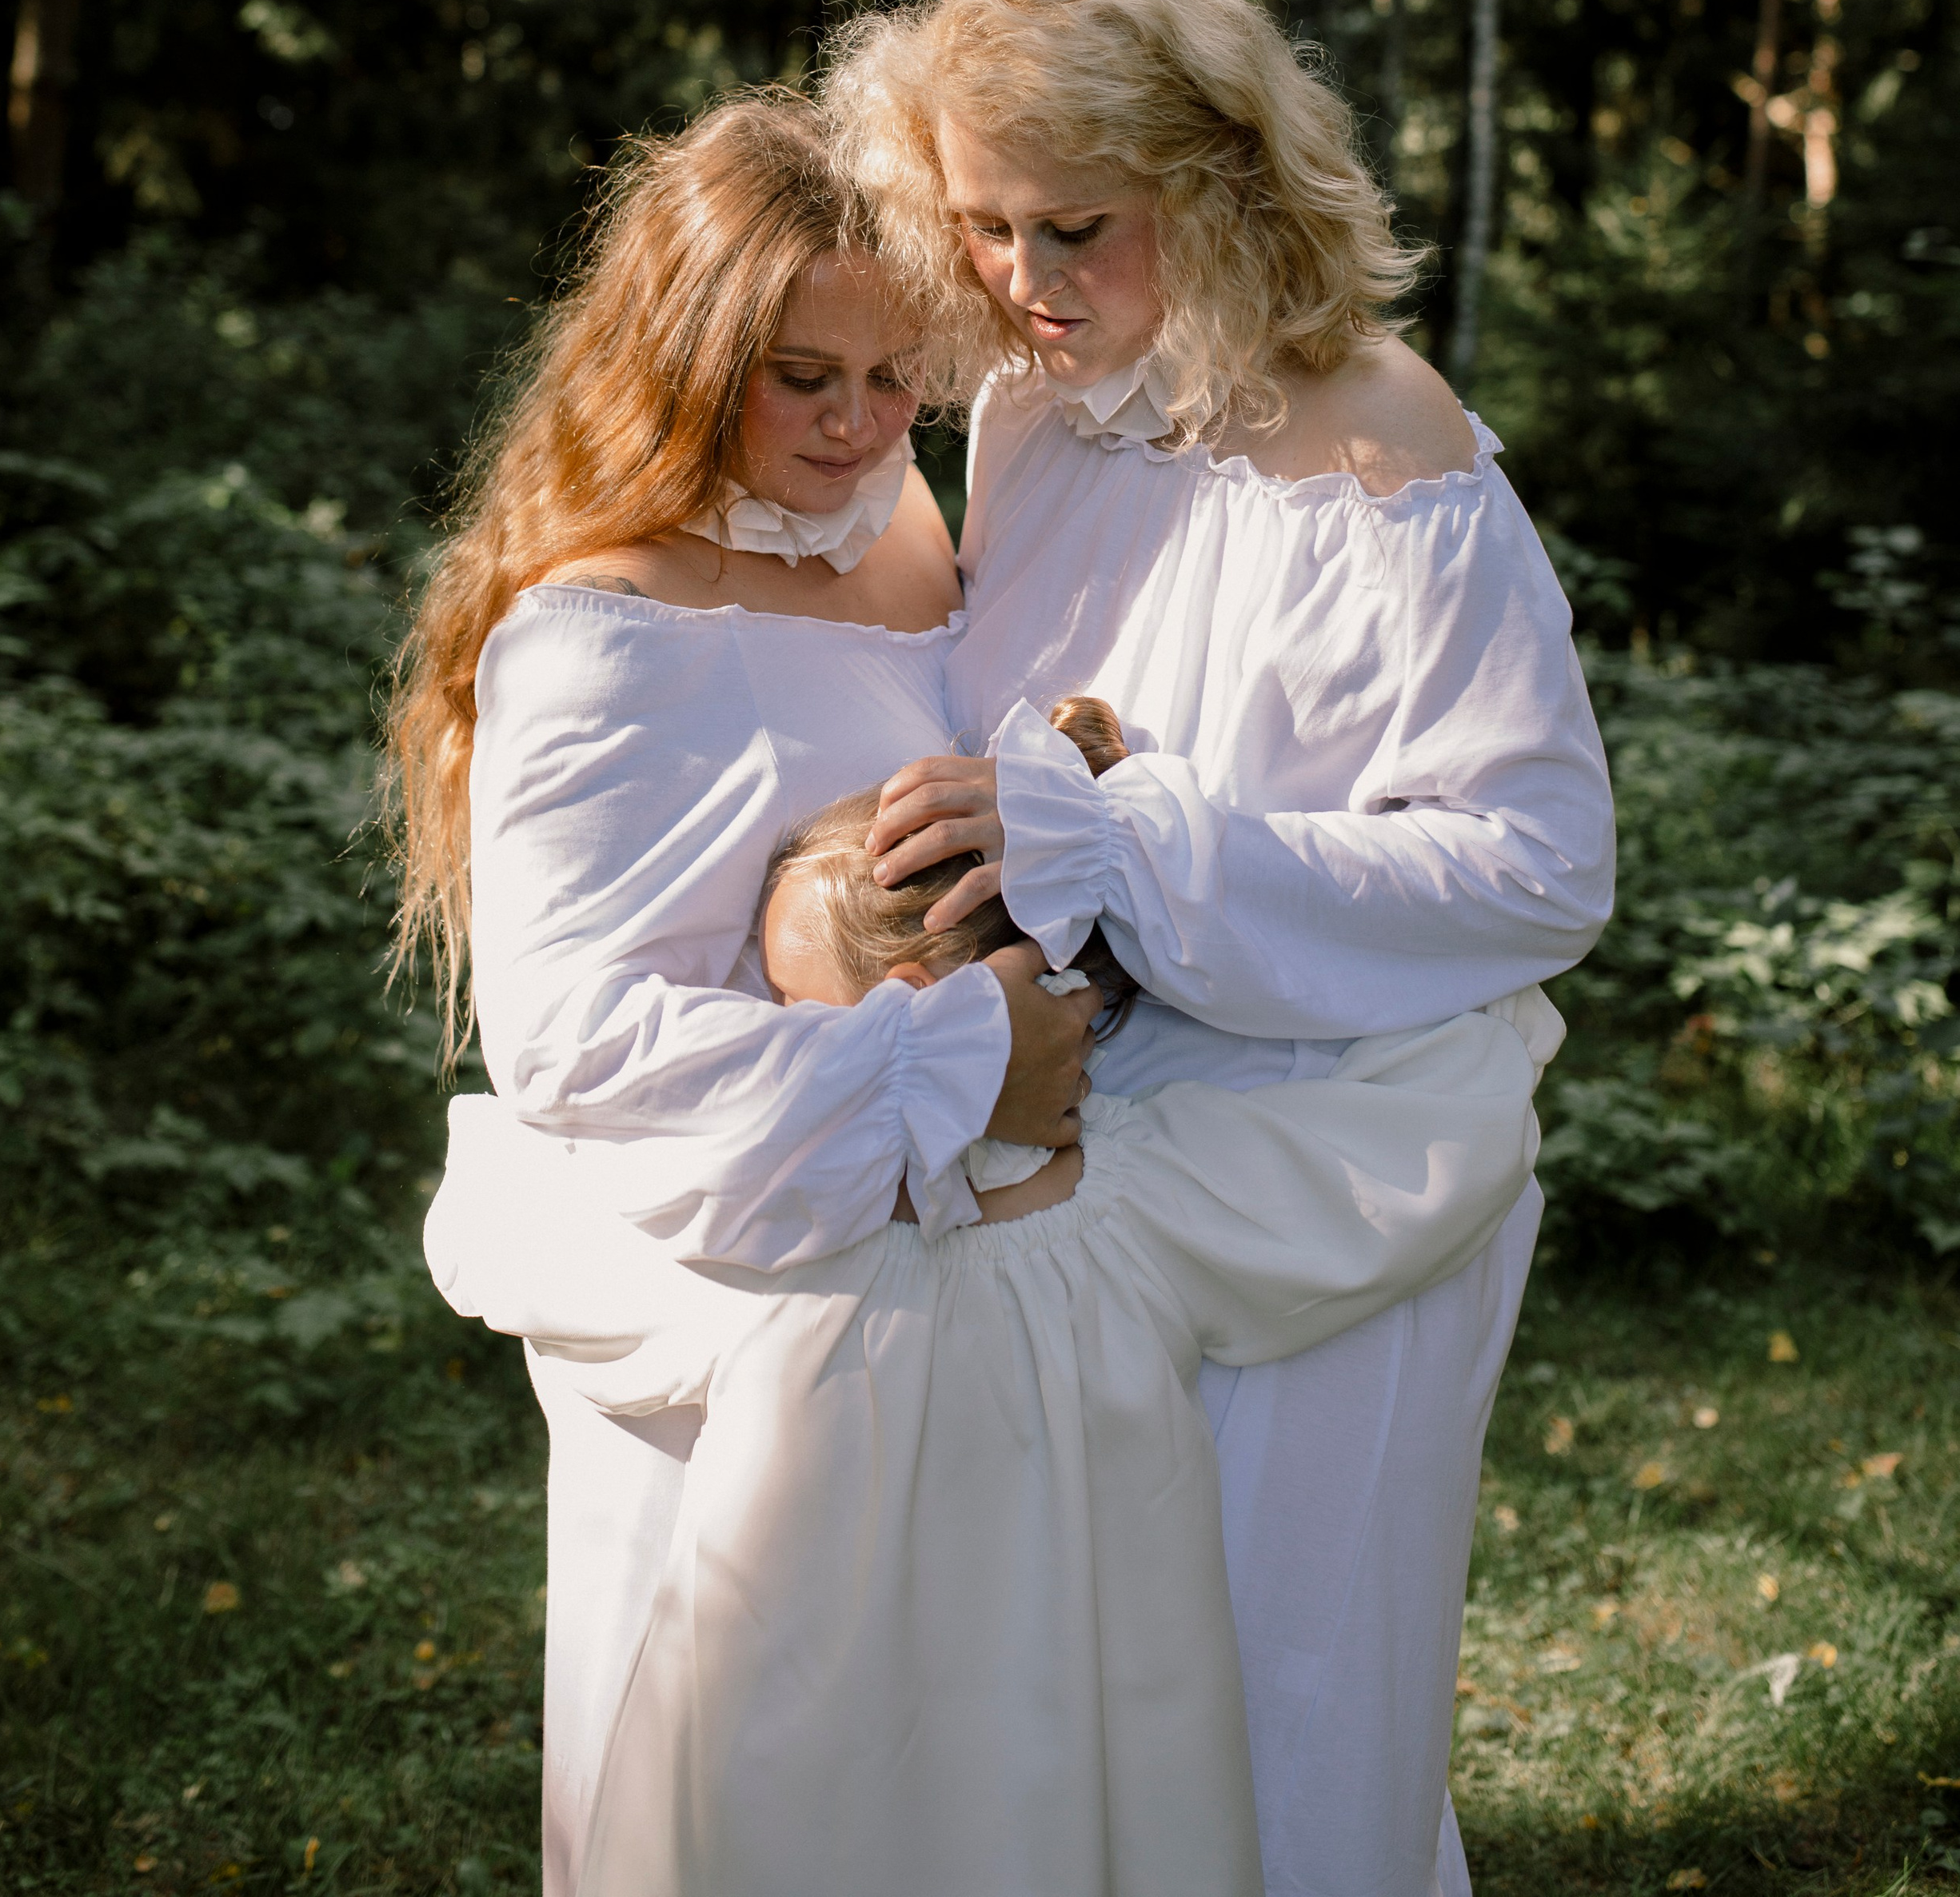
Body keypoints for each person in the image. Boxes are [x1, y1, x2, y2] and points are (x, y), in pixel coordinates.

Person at [828, 0, 1618, 1897]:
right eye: (982, 227)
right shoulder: (1033, 417)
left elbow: (1536, 867)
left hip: (1338, 1171)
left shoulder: (1386, 448)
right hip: (1093, 1162)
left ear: (1218, 184)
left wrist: (1126, 849)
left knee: (1288, 1706)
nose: (1022, 281)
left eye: (1074, 228)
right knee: (1092, 1708)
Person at [426, 697, 1559, 1897]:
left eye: (791, 1013)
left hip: (802, 1714)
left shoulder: (775, 1247)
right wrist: (1489, 1013)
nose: (773, 1041)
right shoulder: (1135, 1208)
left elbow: (491, 1222)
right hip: (1078, 1729)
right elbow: (1423, 1145)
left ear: (917, 999)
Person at [385, 90, 1098, 1897]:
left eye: (897, 376)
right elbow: (575, 1042)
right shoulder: (603, 621)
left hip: (947, 1256)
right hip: (747, 1261)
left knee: (957, 1772)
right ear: (691, 355)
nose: (859, 424)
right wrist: (962, 1061)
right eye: (804, 378)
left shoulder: (901, 523)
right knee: (751, 1787)